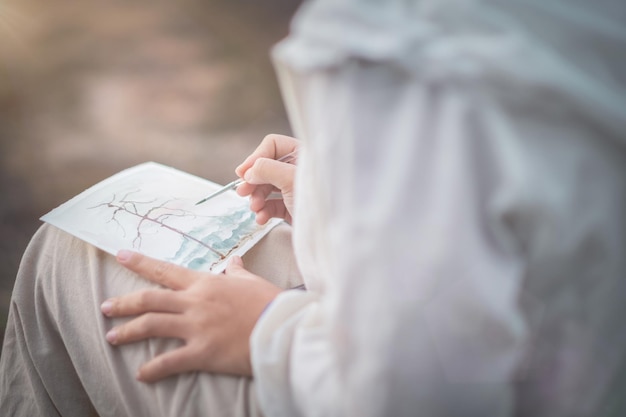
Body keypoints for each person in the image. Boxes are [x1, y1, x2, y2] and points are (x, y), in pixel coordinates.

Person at [2, 0, 626, 416]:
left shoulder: (393, 39)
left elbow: (419, 391)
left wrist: (266, 329)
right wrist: (350, 198)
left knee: (70, 252)